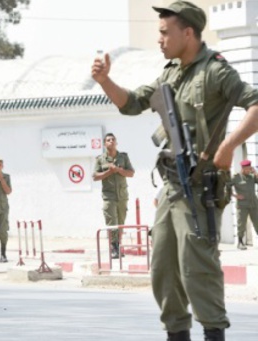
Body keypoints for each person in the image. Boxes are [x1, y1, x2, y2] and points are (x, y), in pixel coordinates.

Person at [91, 1, 258, 340]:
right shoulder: (170, 73)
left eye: (165, 32)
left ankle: (213, 333)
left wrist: (228, 147)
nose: (160, 39)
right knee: (164, 271)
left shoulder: (216, 70)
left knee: (197, 270)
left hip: (200, 189)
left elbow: (255, 103)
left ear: (188, 32)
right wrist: (104, 80)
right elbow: (133, 103)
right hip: (170, 187)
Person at [92, 133, 135, 259]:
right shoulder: (100, 159)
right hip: (109, 196)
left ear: (116, 142)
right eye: (108, 140)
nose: (111, 141)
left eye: (113, 139)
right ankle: (114, 247)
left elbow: (131, 173)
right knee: (111, 221)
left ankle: (118, 246)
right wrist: (109, 171)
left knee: (121, 222)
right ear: (105, 144)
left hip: (122, 196)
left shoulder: (123, 157)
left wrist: (119, 170)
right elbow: (95, 177)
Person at [230, 160, 258, 250]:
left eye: (250, 169)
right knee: (241, 223)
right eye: (247, 169)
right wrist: (235, 195)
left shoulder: (251, 176)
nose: (248, 171)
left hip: (254, 204)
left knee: (257, 222)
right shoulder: (236, 177)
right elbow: (226, 187)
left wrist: (255, 172)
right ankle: (240, 242)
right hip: (242, 205)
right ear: (242, 168)